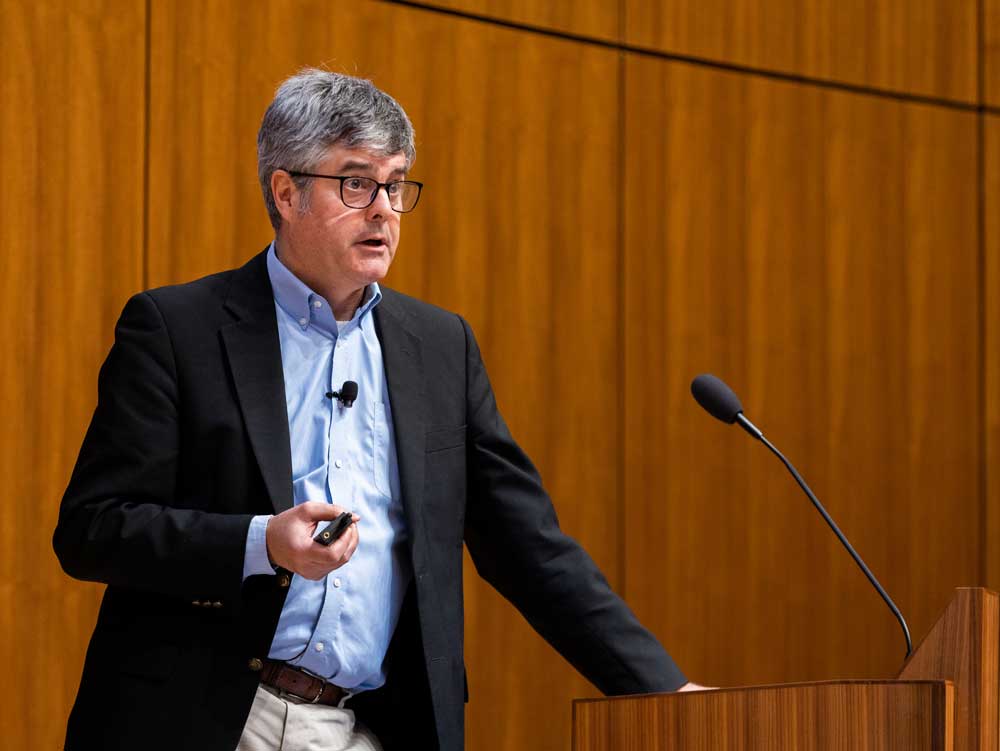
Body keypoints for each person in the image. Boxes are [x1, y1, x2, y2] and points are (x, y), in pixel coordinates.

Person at [53, 68, 691, 751]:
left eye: (395, 184)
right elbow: (94, 528)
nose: (384, 208)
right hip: (212, 715)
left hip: (368, 722)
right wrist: (261, 542)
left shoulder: (441, 348)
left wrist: (664, 689)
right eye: (355, 183)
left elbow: (527, 542)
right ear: (285, 191)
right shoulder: (177, 330)